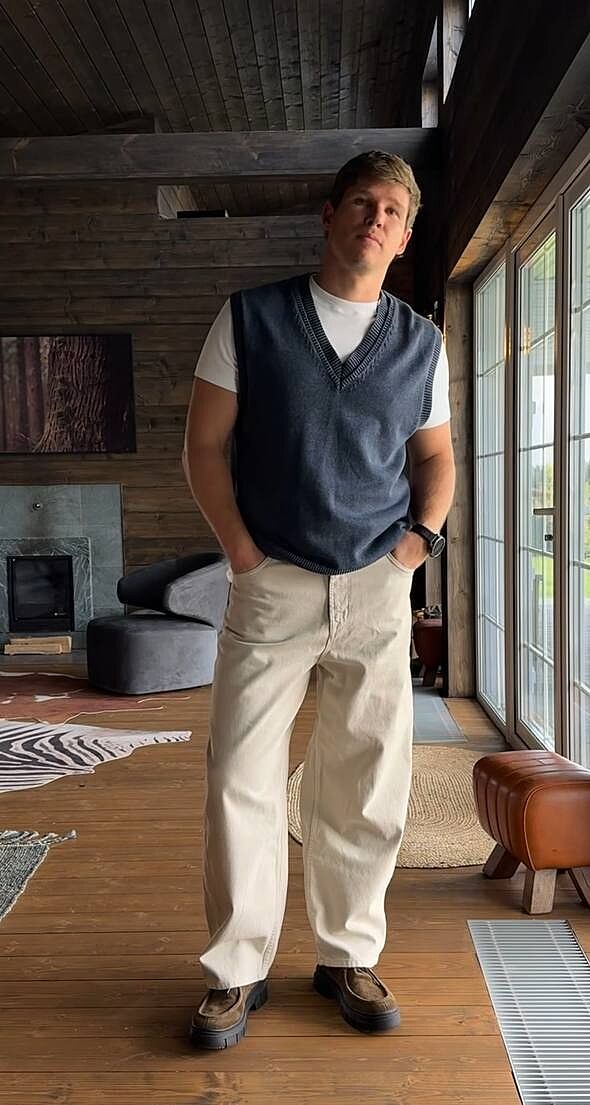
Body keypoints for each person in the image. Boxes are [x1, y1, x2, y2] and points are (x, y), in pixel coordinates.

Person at [182, 150, 456, 1050]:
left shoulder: (421, 343)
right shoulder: (249, 319)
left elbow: (436, 458)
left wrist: (418, 544)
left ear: (404, 237)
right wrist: (241, 551)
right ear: (329, 215)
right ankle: (237, 967)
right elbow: (204, 447)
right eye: (363, 203)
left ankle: (347, 955)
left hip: (377, 584)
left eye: (393, 211)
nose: (376, 219)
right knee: (240, 776)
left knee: (365, 777)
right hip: (273, 585)